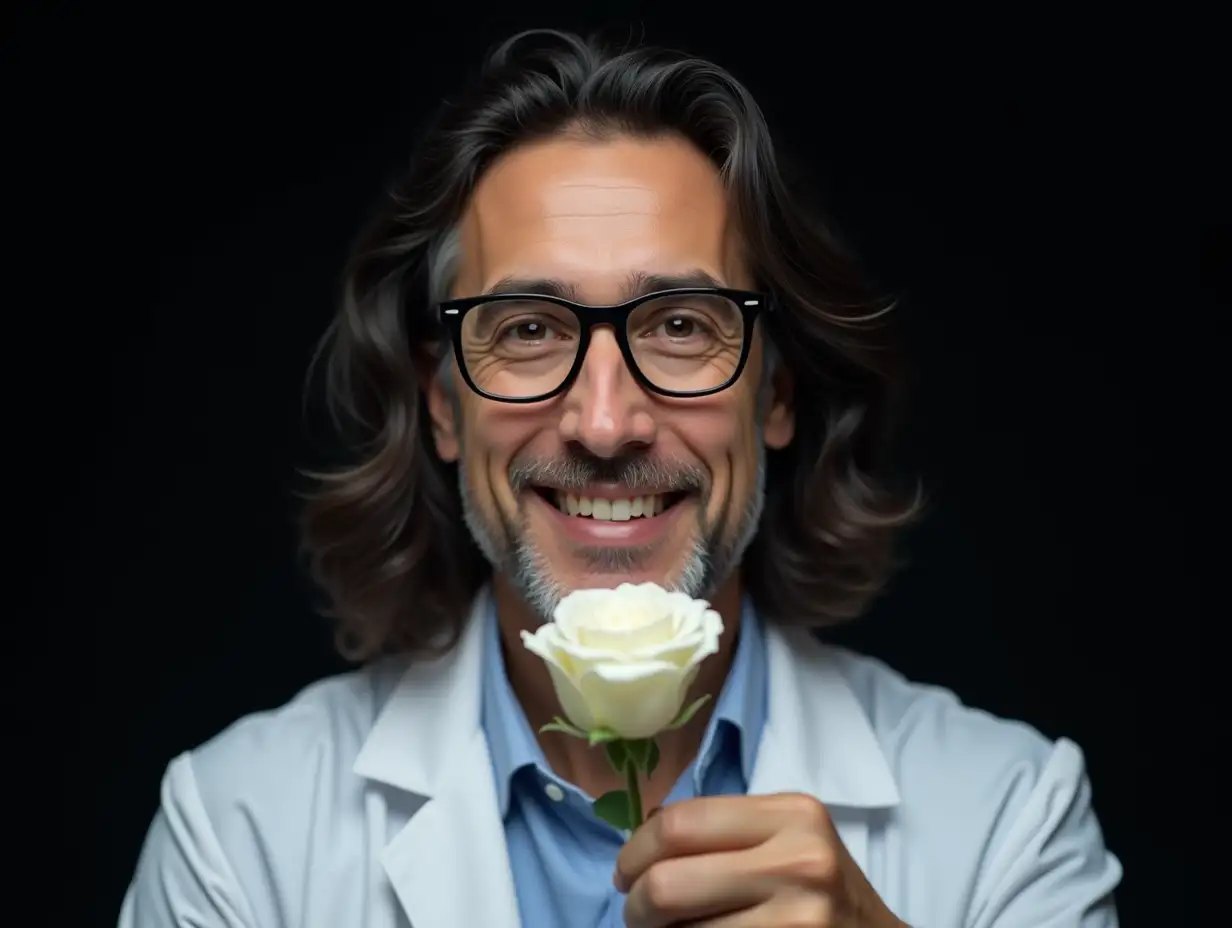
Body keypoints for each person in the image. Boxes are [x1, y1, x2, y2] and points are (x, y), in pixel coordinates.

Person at [119, 29, 1121, 928]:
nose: (604, 423)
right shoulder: (238, 831)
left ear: (775, 390)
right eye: (526, 330)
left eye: (681, 326)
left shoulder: (1006, 816)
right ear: (439, 403)